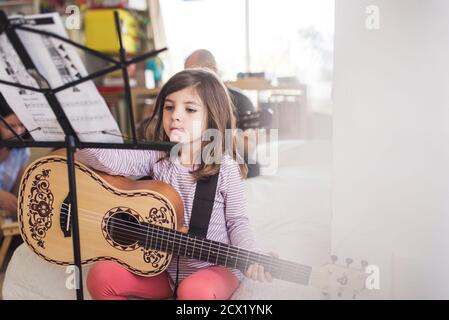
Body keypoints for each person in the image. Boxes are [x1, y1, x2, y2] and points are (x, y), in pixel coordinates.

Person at [76, 69, 274, 300]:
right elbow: (110, 161)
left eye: (190, 109)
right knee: (101, 275)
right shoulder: (158, 158)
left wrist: (253, 255)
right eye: (169, 107)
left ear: (212, 116)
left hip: (214, 269)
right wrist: (79, 134)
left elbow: (238, 222)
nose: (175, 115)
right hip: (164, 269)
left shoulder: (225, 167)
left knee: (193, 291)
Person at [184, 49, 261, 178]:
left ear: (212, 69)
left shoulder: (241, 101)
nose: (189, 80)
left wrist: (230, 133)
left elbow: (250, 147)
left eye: (194, 73)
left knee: (252, 166)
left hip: (224, 158)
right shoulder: (187, 100)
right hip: (194, 156)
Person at [0, 105, 29, 215]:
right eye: (9, 126)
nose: (18, 132)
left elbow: (18, 190)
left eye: (22, 125)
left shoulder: (22, 152)